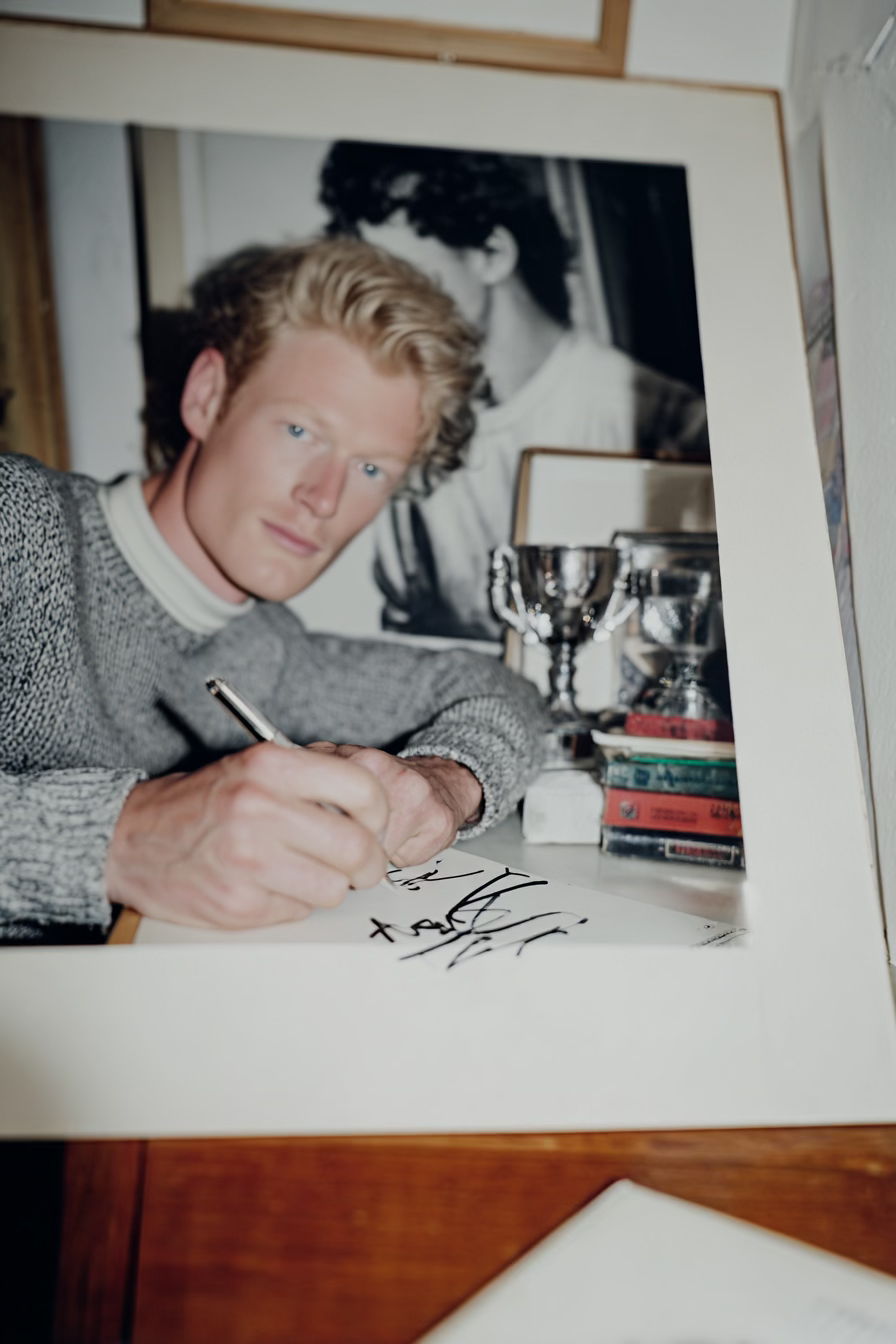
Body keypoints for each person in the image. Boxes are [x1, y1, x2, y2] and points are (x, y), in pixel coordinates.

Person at [0, 237, 547, 942]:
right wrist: (120, 838)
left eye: (372, 470)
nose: (325, 497)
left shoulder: (270, 649)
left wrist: (444, 780)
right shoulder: (17, 522)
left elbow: (504, 692)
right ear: (208, 396)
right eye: (300, 430)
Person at [320, 141, 710, 641]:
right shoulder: (407, 434)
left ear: (493, 254)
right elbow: (412, 631)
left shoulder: (662, 423)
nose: (382, 314)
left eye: (406, 278)